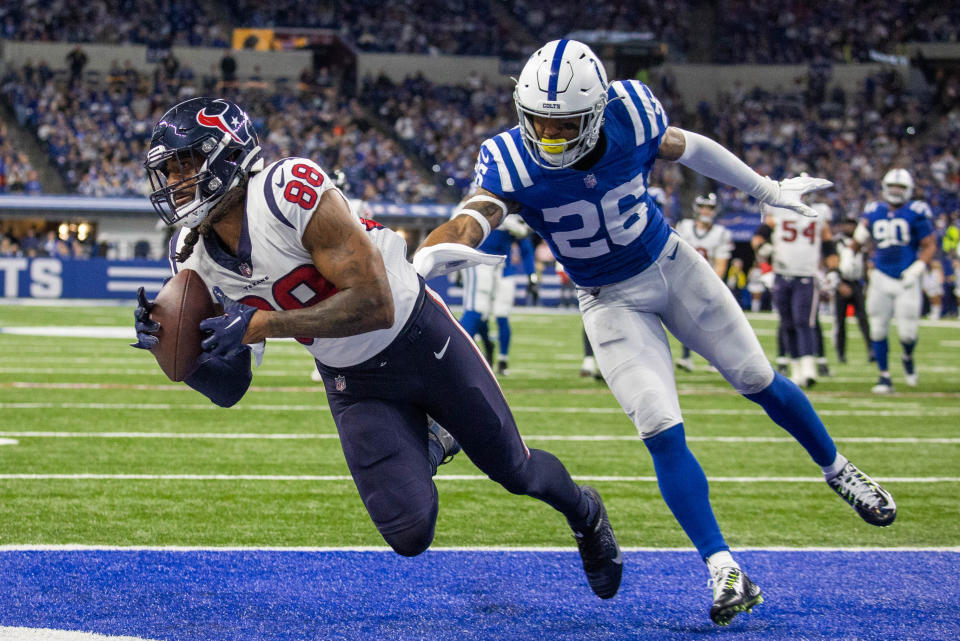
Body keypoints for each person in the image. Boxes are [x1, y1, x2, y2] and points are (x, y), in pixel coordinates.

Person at [412, 40, 896, 626]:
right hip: (607, 300)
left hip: (672, 266)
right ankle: (723, 566)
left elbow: (688, 148)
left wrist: (765, 190)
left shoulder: (632, 113)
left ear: (594, 112)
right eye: (538, 121)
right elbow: (476, 215)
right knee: (661, 427)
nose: (549, 136)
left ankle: (837, 469)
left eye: (563, 124)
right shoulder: (510, 158)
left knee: (758, 378)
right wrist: (437, 249)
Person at [131, 97, 622, 599]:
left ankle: (585, 513)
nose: (176, 183)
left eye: (186, 164)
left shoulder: (286, 192)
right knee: (408, 532)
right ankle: (433, 439)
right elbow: (231, 387)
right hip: (353, 378)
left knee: (516, 472)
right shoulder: (190, 257)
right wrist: (178, 355)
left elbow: (375, 304)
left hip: (418, 337)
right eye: (168, 171)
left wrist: (260, 324)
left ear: (230, 154)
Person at [846, 168, 936, 393]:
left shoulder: (917, 211)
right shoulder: (874, 210)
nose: (896, 191)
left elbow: (929, 244)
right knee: (877, 329)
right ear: (885, 188)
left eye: (901, 187)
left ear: (909, 190)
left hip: (907, 277)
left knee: (907, 333)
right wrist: (849, 258)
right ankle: (884, 376)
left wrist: (918, 267)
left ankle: (907, 355)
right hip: (880, 275)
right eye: (893, 187)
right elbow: (858, 240)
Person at [752, 198, 838, 387]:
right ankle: (796, 368)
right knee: (787, 322)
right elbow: (758, 239)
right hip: (782, 275)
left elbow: (828, 244)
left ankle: (809, 368)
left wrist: (833, 271)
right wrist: (764, 252)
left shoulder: (819, 213)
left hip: (806, 275)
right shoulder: (779, 212)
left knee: (803, 321)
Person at [459, 214, 535, 375]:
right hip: (479, 261)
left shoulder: (513, 208)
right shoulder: (481, 203)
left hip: (503, 269)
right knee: (478, 310)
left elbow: (524, 243)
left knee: (502, 314)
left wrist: (531, 276)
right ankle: (464, 354)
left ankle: (502, 359)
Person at [674, 193, 732, 371]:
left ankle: (714, 360)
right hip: (685, 279)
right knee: (685, 320)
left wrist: (710, 285)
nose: (706, 211)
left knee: (711, 322)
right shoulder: (684, 227)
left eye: (710, 207)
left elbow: (721, 264)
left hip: (708, 281)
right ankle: (685, 358)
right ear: (696, 208)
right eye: (703, 206)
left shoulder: (721, 233)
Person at [833, 215, 874, 364]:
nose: (849, 227)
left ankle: (871, 350)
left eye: (852, 225)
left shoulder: (861, 243)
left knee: (863, 320)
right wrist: (838, 284)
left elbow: (864, 264)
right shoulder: (837, 241)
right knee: (840, 321)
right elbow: (832, 263)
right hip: (842, 282)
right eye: (847, 224)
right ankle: (840, 353)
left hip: (857, 283)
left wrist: (867, 284)